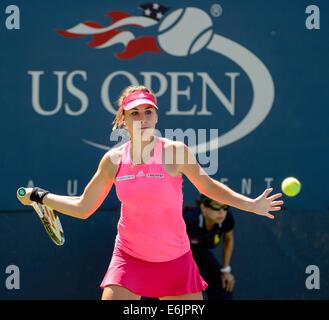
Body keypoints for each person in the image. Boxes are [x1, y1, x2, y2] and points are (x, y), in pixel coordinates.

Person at [17, 85, 284, 300]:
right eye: (135, 113)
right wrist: (40, 196)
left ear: (156, 115)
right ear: (123, 119)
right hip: (129, 259)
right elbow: (83, 207)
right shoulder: (113, 160)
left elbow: (209, 186)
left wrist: (251, 204)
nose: (143, 119)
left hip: (176, 260)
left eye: (148, 112)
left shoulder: (175, 152)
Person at [183, 194, 236, 300]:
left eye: (225, 207)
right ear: (203, 207)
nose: (222, 211)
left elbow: (228, 239)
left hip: (200, 252)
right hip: (179, 254)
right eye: (216, 206)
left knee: (222, 284)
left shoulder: (226, 217)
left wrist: (225, 269)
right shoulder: (188, 219)